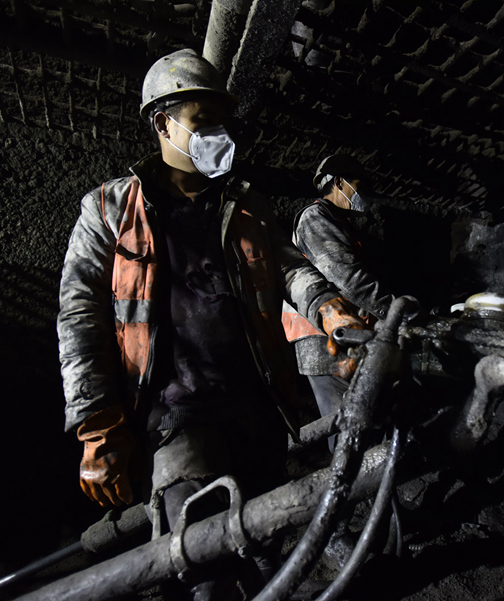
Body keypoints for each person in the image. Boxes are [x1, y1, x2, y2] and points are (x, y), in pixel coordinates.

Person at [57, 49, 365, 600]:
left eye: (222, 123)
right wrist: (96, 425)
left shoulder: (244, 204)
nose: (218, 135)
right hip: (175, 420)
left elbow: (288, 267)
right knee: (204, 568)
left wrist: (325, 304)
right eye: (202, 122)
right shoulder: (109, 209)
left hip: (256, 408)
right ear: (162, 124)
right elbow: (79, 317)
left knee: (266, 547)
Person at [281, 154, 395, 451]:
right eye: (360, 184)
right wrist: (394, 311)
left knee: (363, 419)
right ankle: (349, 478)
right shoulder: (315, 218)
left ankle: (372, 477)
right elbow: (350, 280)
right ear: (340, 182)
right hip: (323, 335)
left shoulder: (339, 223)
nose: (365, 192)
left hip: (343, 332)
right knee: (348, 429)